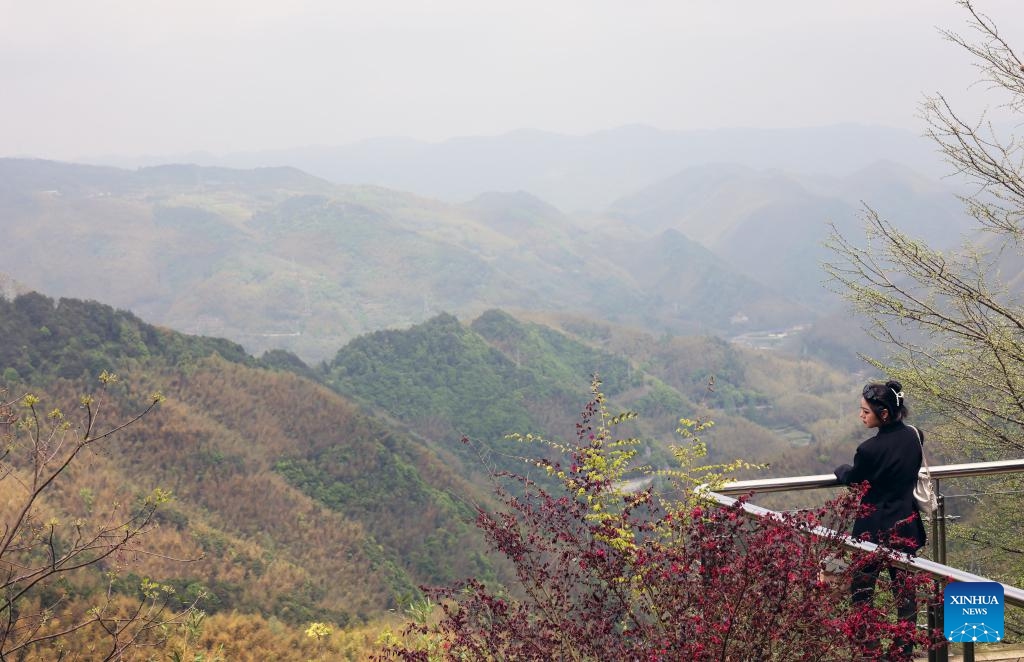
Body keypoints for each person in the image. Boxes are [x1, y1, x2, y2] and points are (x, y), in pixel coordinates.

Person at [834, 380, 927, 658]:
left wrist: (841, 470)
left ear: (883, 413)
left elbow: (855, 480)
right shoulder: (915, 436)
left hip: (871, 530)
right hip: (905, 524)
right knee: (906, 594)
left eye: (865, 411)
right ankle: (903, 651)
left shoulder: (868, 450)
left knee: (862, 592)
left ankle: (870, 651)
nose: (861, 416)